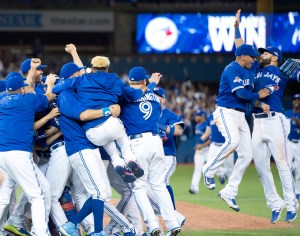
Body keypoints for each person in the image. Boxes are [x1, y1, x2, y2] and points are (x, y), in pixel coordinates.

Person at [227, 9, 299, 223]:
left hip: (276, 120)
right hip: (257, 122)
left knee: (282, 163)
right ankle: (275, 204)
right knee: (260, 167)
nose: (262, 54)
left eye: (266, 52)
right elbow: (241, 49)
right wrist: (236, 28)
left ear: (275, 56)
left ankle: (291, 204)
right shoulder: (255, 67)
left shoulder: (283, 71)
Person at [202, 9, 270, 212]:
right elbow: (241, 94)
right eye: (253, 57)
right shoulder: (232, 68)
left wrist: (236, 28)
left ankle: (229, 191)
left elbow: (242, 48)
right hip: (225, 111)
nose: (256, 59)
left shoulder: (248, 66)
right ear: (243, 58)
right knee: (232, 141)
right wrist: (259, 96)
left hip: (241, 115)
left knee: (247, 154)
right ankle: (208, 170)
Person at [120, 67, 181, 236]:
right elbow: (144, 91)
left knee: (139, 187)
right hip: (155, 142)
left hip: (137, 142)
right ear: (144, 81)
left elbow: (133, 94)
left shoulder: (125, 95)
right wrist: (152, 83)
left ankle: (152, 225)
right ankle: (172, 223)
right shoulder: (154, 95)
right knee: (159, 185)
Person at [0, 59, 56, 236]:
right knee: (36, 195)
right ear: (21, 88)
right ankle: (40, 232)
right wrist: (50, 84)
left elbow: (29, 86)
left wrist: (32, 70)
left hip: (3, 154)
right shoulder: (28, 100)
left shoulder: (1, 100)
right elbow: (47, 97)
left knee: (4, 197)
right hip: (19, 154)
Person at [153, 87, 186, 225]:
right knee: (153, 186)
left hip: (168, 156)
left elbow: (178, 131)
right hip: (153, 157)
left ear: (163, 99)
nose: (154, 98)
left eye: (157, 95)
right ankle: (172, 216)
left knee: (161, 182)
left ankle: (173, 216)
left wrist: (159, 126)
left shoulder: (169, 114)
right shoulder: (148, 114)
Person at [189, 110, 210, 194]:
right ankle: (194, 188)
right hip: (199, 151)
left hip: (208, 150)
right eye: (196, 115)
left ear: (203, 117)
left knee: (212, 166)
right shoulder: (197, 125)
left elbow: (211, 139)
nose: (196, 117)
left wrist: (202, 145)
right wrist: (198, 146)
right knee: (197, 169)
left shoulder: (206, 125)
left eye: (198, 116)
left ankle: (222, 173)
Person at [285, 94, 300, 200]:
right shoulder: (287, 113)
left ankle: (298, 191)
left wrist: (298, 123)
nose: (296, 101)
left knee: (299, 168)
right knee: (288, 167)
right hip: (288, 142)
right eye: (295, 99)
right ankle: (290, 190)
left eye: (298, 100)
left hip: (299, 142)